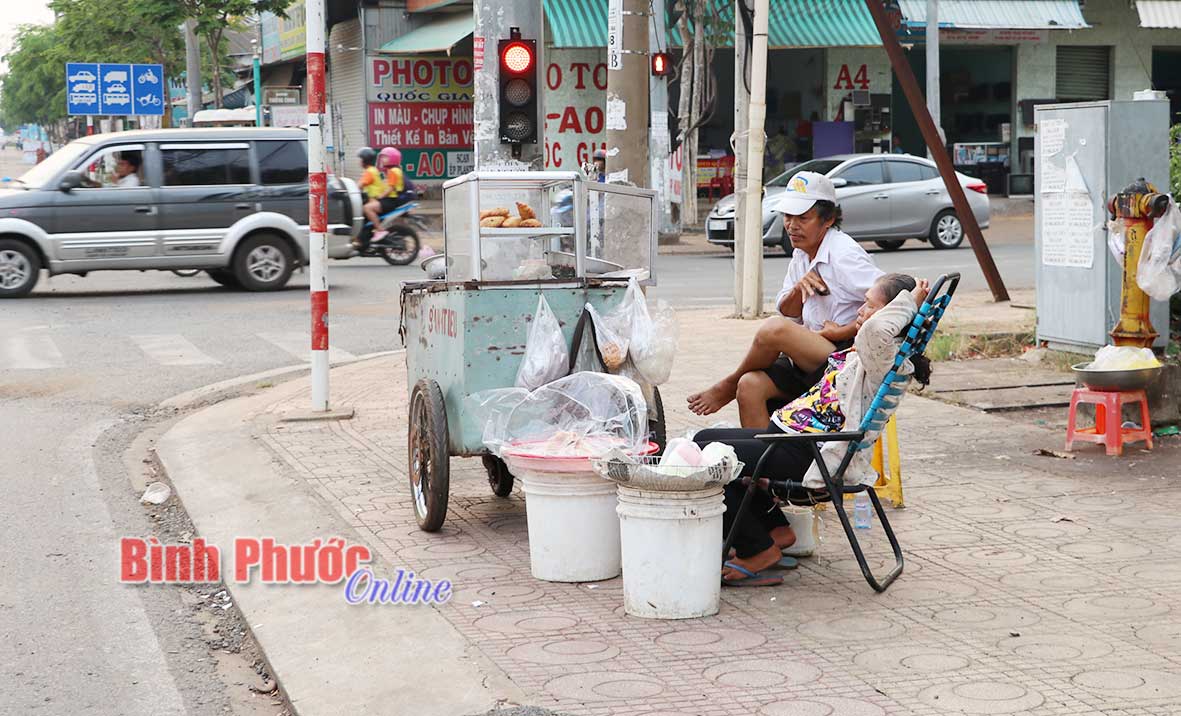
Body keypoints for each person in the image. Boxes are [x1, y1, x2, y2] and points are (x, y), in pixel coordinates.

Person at [696, 273, 932, 586]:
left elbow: (876, 329)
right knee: (703, 439)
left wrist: (910, 303)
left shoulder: (883, 355)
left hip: (809, 453)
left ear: (894, 316)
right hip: (794, 441)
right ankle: (775, 531)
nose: (861, 311)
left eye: (870, 306)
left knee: (706, 458)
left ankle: (758, 550)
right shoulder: (880, 353)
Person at [688, 172, 882, 428]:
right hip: (812, 355)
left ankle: (727, 385)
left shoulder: (843, 254)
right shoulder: (801, 254)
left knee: (774, 329)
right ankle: (766, 454)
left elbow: (888, 303)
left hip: (843, 359)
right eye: (788, 217)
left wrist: (843, 331)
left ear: (828, 219)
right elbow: (788, 312)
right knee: (749, 385)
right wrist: (797, 290)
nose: (792, 225)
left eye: (803, 218)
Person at [368, 146, 409, 243]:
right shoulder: (395, 170)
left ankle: (379, 230)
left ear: (393, 158)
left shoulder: (393, 171)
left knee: (367, 208)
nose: (382, 159)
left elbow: (391, 188)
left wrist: (380, 196)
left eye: (385, 157)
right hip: (393, 199)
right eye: (382, 157)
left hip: (391, 200)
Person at [355, 146, 388, 249]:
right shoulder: (372, 170)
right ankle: (363, 241)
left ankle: (378, 231)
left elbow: (359, 186)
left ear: (365, 160)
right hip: (374, 200)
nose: (359, 161)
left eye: (360, 159)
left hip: (376, 201)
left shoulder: (370, 172)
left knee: (364, 211)